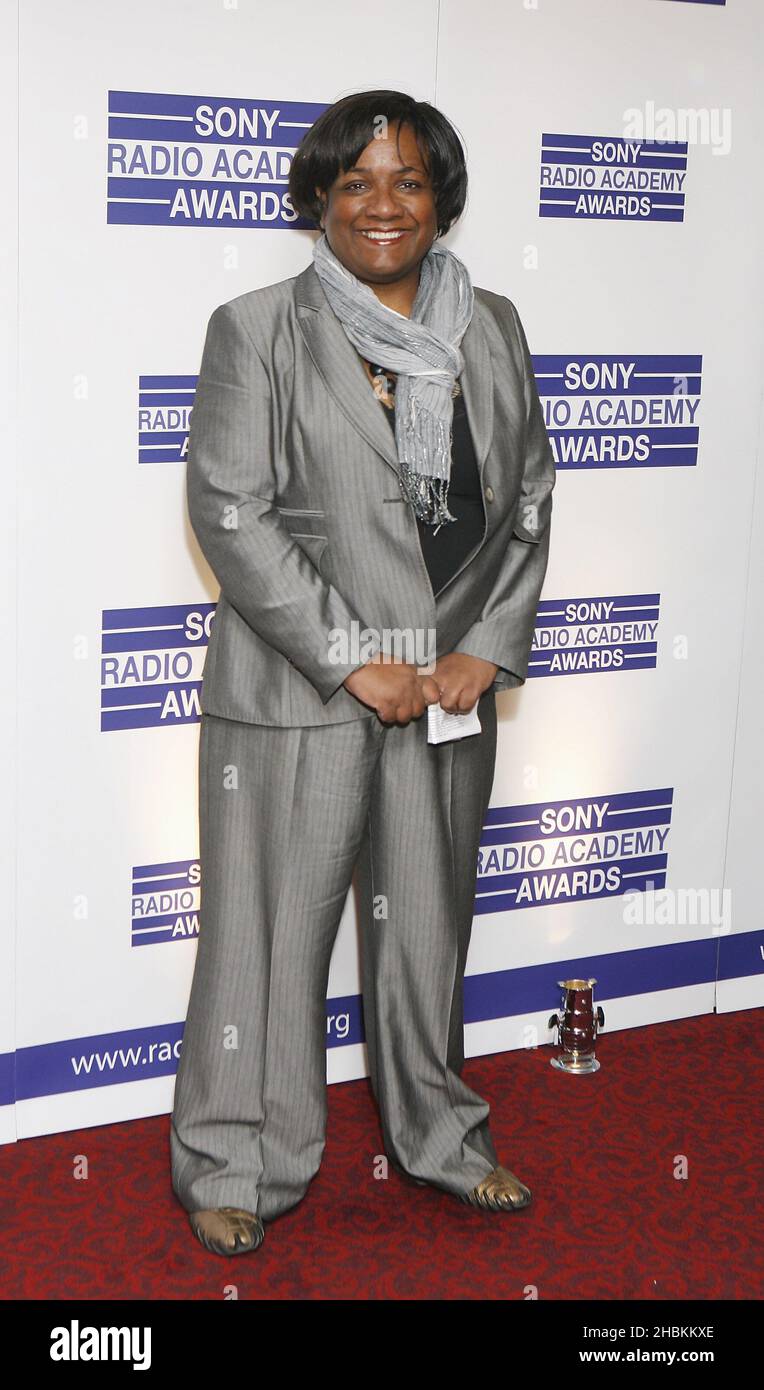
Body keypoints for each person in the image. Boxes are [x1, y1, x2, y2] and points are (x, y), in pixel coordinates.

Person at [170, 89, 555, 1256]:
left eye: (406, 181)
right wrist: (354, 660)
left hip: (448, 693)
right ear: (318, 201)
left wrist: (484, 644)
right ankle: (236, 1159)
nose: (381, 204)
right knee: (267, 935)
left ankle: (438, 1134)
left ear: (439, 198)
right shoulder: (257, 328)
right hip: (301, 695)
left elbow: (527, 492)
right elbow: (230, 511)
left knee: (427, 932)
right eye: (355, 182)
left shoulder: (487, 321)